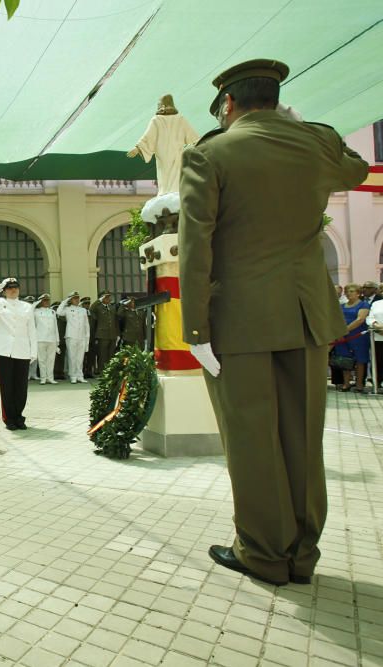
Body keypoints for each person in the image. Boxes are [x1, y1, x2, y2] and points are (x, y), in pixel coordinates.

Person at [179, 58, 369, 586]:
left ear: (229, 105)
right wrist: (310, 129)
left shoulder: (210, 153)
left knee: (252, 439)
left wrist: (195, 331)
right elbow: (355, 167)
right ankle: (302, 556)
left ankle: (264, 554)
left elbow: (197, 249)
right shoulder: (315, 144)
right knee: (302, 439)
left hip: (238, 323)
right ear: (278, 100)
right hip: (305, 315)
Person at [0, 279, 37, 429]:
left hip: (22, 350)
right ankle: (9, 418)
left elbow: (32, 330)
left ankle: (19, 417)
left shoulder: (27, 307)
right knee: (7, 387)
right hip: (3, 350)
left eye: (15, 287)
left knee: (21, 387)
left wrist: (33, 351)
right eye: (9, 288)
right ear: (4, 290)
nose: (13, 290)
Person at [336, 284, 371, 392]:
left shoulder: (363, 305)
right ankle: (346, 384)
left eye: (351, 291)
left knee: (360, 359)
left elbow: (360, 319)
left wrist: (345, 330)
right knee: (344, 359)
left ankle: (359, 384)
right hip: (342, 337)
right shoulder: (341, 306)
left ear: (358, 293)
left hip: (358, 336)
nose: (348, 293)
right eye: (347, 291)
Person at [59, 292, 90, 383]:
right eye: (74, 298)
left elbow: (86, 325)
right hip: (71, 336)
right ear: (70, 300)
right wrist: (65, 301)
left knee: (80, 357)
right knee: (72, 357)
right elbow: (59, 312)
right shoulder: (67, 309)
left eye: (77, 298)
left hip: (81, 336)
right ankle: (73, 375)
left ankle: (80, 375)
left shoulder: (83, 310)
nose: (77, 300)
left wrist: (87, 338)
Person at [89, 291, 119, 375]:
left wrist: (117, 334)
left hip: (112, 334)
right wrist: (99, 300)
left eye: (109, 297)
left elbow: (115, 321)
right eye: (106, 297)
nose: (108, 299)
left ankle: (110, 371)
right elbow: (91, 309)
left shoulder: (112, 307)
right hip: (102, 335)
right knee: (102, 354)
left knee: (111, 353)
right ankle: (102, 371)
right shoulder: (98, 308)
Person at [33, 294, 60, 384]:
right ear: (40, 301)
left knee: (51, 359)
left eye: (48, 300)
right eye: (44, 300)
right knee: (42, 360)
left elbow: (55, 326)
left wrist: (57, 340)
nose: (47, 302)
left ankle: (50, 378)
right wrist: (35, 303)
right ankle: (43, 378)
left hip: (51, 338)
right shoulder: (35, 311)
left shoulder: (52, 312)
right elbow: (28, 314)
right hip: (40, 338)